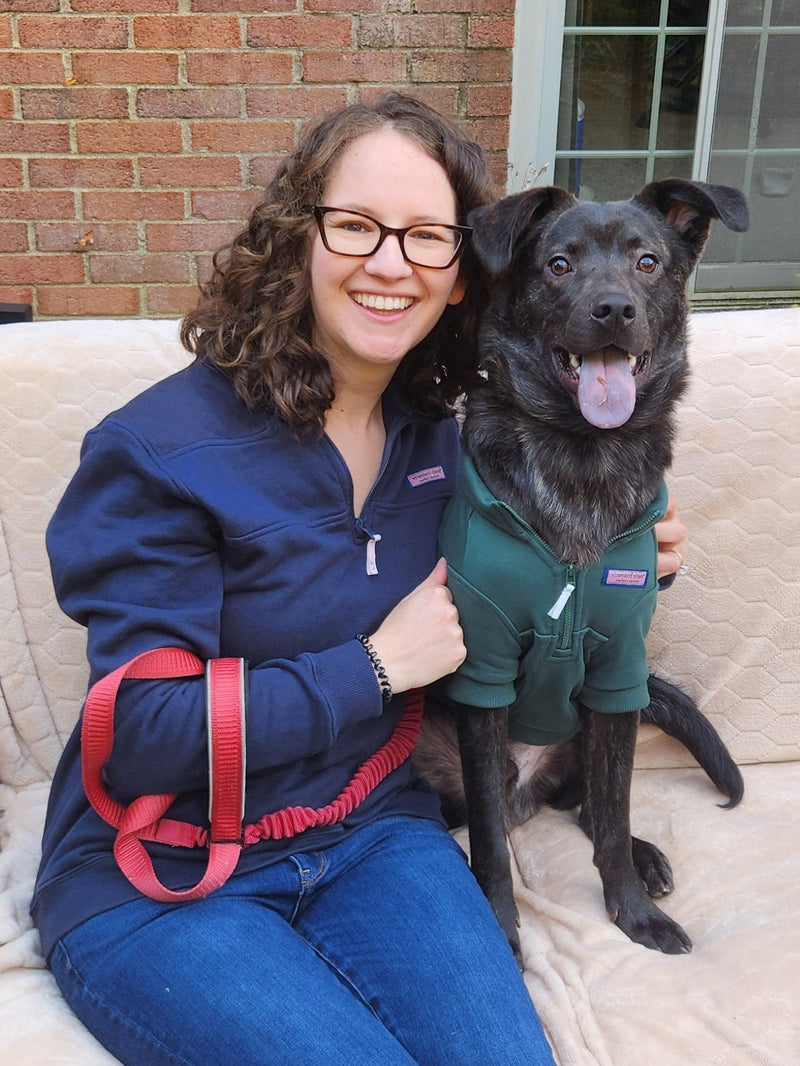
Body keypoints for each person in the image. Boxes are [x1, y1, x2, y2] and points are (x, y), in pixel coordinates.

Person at [32, 93, 686, 1066]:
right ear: (295, 238)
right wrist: (374, 667)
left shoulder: (446, 440)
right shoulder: (160, 451)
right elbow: (136, 740)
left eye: (425, 236)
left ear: (463, 275)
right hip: (164, 874)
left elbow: (522, 591)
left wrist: (621, 566)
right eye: (356, 227)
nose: (390, 264)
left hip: (377, 832)